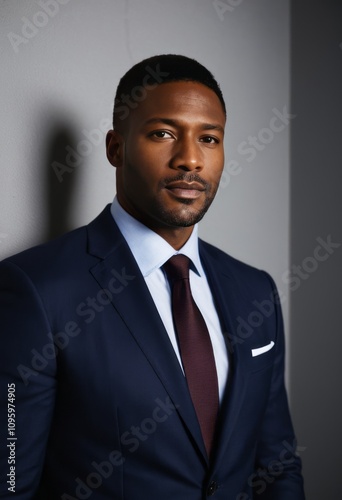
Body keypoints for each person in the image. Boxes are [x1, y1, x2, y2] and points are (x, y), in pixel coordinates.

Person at [0, 54, 305, 499]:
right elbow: (10, 482)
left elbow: (277, 466)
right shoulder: (36, 289)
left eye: (209, 138)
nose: (190, 159)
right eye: (163, 133)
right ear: (115, 148)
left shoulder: (255, 290)